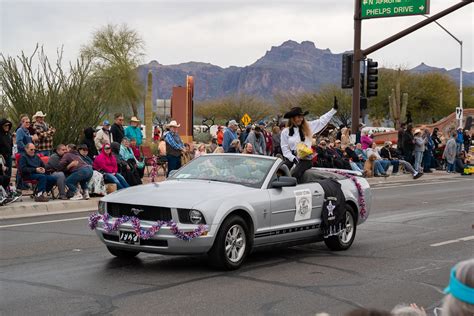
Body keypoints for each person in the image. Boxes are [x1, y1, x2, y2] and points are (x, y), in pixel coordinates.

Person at [281, 97, 338, 182]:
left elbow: (322, 121)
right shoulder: (285, 132)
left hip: (305, 159)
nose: (301, 119)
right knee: (280, 171)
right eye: (298, 117)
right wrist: (292, 158)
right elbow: (284, 148)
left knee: (295, 174)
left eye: (302, 117)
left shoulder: (309, 127)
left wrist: (333, 110)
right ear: (292, 118)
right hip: (291, 158)